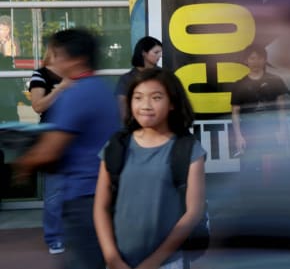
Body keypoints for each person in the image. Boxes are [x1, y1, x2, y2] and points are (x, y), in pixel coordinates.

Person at [13, 28, 121, 269]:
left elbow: (50, 151)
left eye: (57, 53)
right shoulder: (103, 89)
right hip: (104, 191)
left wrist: (23, 164)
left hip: (84, 196)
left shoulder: (76, 94)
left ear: (76, 59)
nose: (52, 59)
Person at [94, 68, 206, 269]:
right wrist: (112, 258)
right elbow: (101, 206)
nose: (145, 106)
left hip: (168, 263)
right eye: (138, 98)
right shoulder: (116, 146)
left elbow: (193, 213)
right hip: (119, 262)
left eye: (156, 97)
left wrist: (153, 263)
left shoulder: (187, 149)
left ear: (172, 103)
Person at [29, 44, 67, 255]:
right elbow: (38, 106)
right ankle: (54, 237)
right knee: (54, 193)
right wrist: (61, 88)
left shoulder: (75, 74)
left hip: (75, 136)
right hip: (51, 137)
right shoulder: (41, 74)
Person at [230, 44, 288, 171]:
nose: (255, 62)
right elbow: (235, 113)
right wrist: (238, 136)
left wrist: (282, 130)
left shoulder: (275, 81)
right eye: (252, 58)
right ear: (246, 61)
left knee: (272, 170)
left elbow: (282, 108)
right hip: (249, 132)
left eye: (259, 58)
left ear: (265, 59)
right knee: (249, 169)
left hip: (271, 130)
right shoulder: (239, 85)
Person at [115, 36, 163, 118]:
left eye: (161, 52)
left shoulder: (164, 75)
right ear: (144, 53)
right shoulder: (127, 79)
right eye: (156, 52)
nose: (160, 55)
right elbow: (122, 106)